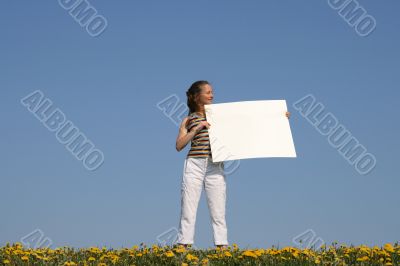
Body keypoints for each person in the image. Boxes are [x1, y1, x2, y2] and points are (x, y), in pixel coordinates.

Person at [175, 80, 290, 248]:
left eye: (212, 92)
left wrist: (279, 116)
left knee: (218, 208)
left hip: (215, 165)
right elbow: (179, 145)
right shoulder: (188, 120)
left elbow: (249, 122)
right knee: (188, 206)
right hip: (194, 165)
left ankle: (222, 246)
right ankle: (183, 244)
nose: (212, 95)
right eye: (207, 92)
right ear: (197, 97)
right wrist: (196, 129)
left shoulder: (220, 115)